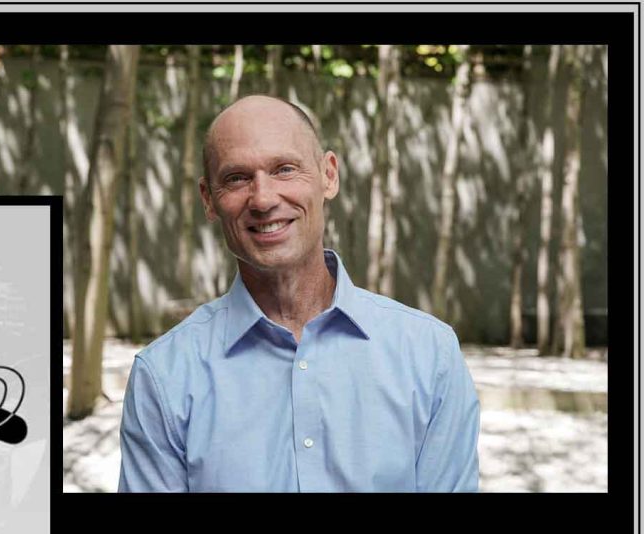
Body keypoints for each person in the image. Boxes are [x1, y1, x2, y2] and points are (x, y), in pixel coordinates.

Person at [117, 95, 480, 492]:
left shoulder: (429, 355)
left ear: (329, 175)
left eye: (285, 169)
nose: (264, 198)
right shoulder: (165, 376)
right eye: (237, 178)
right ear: (209, 200)